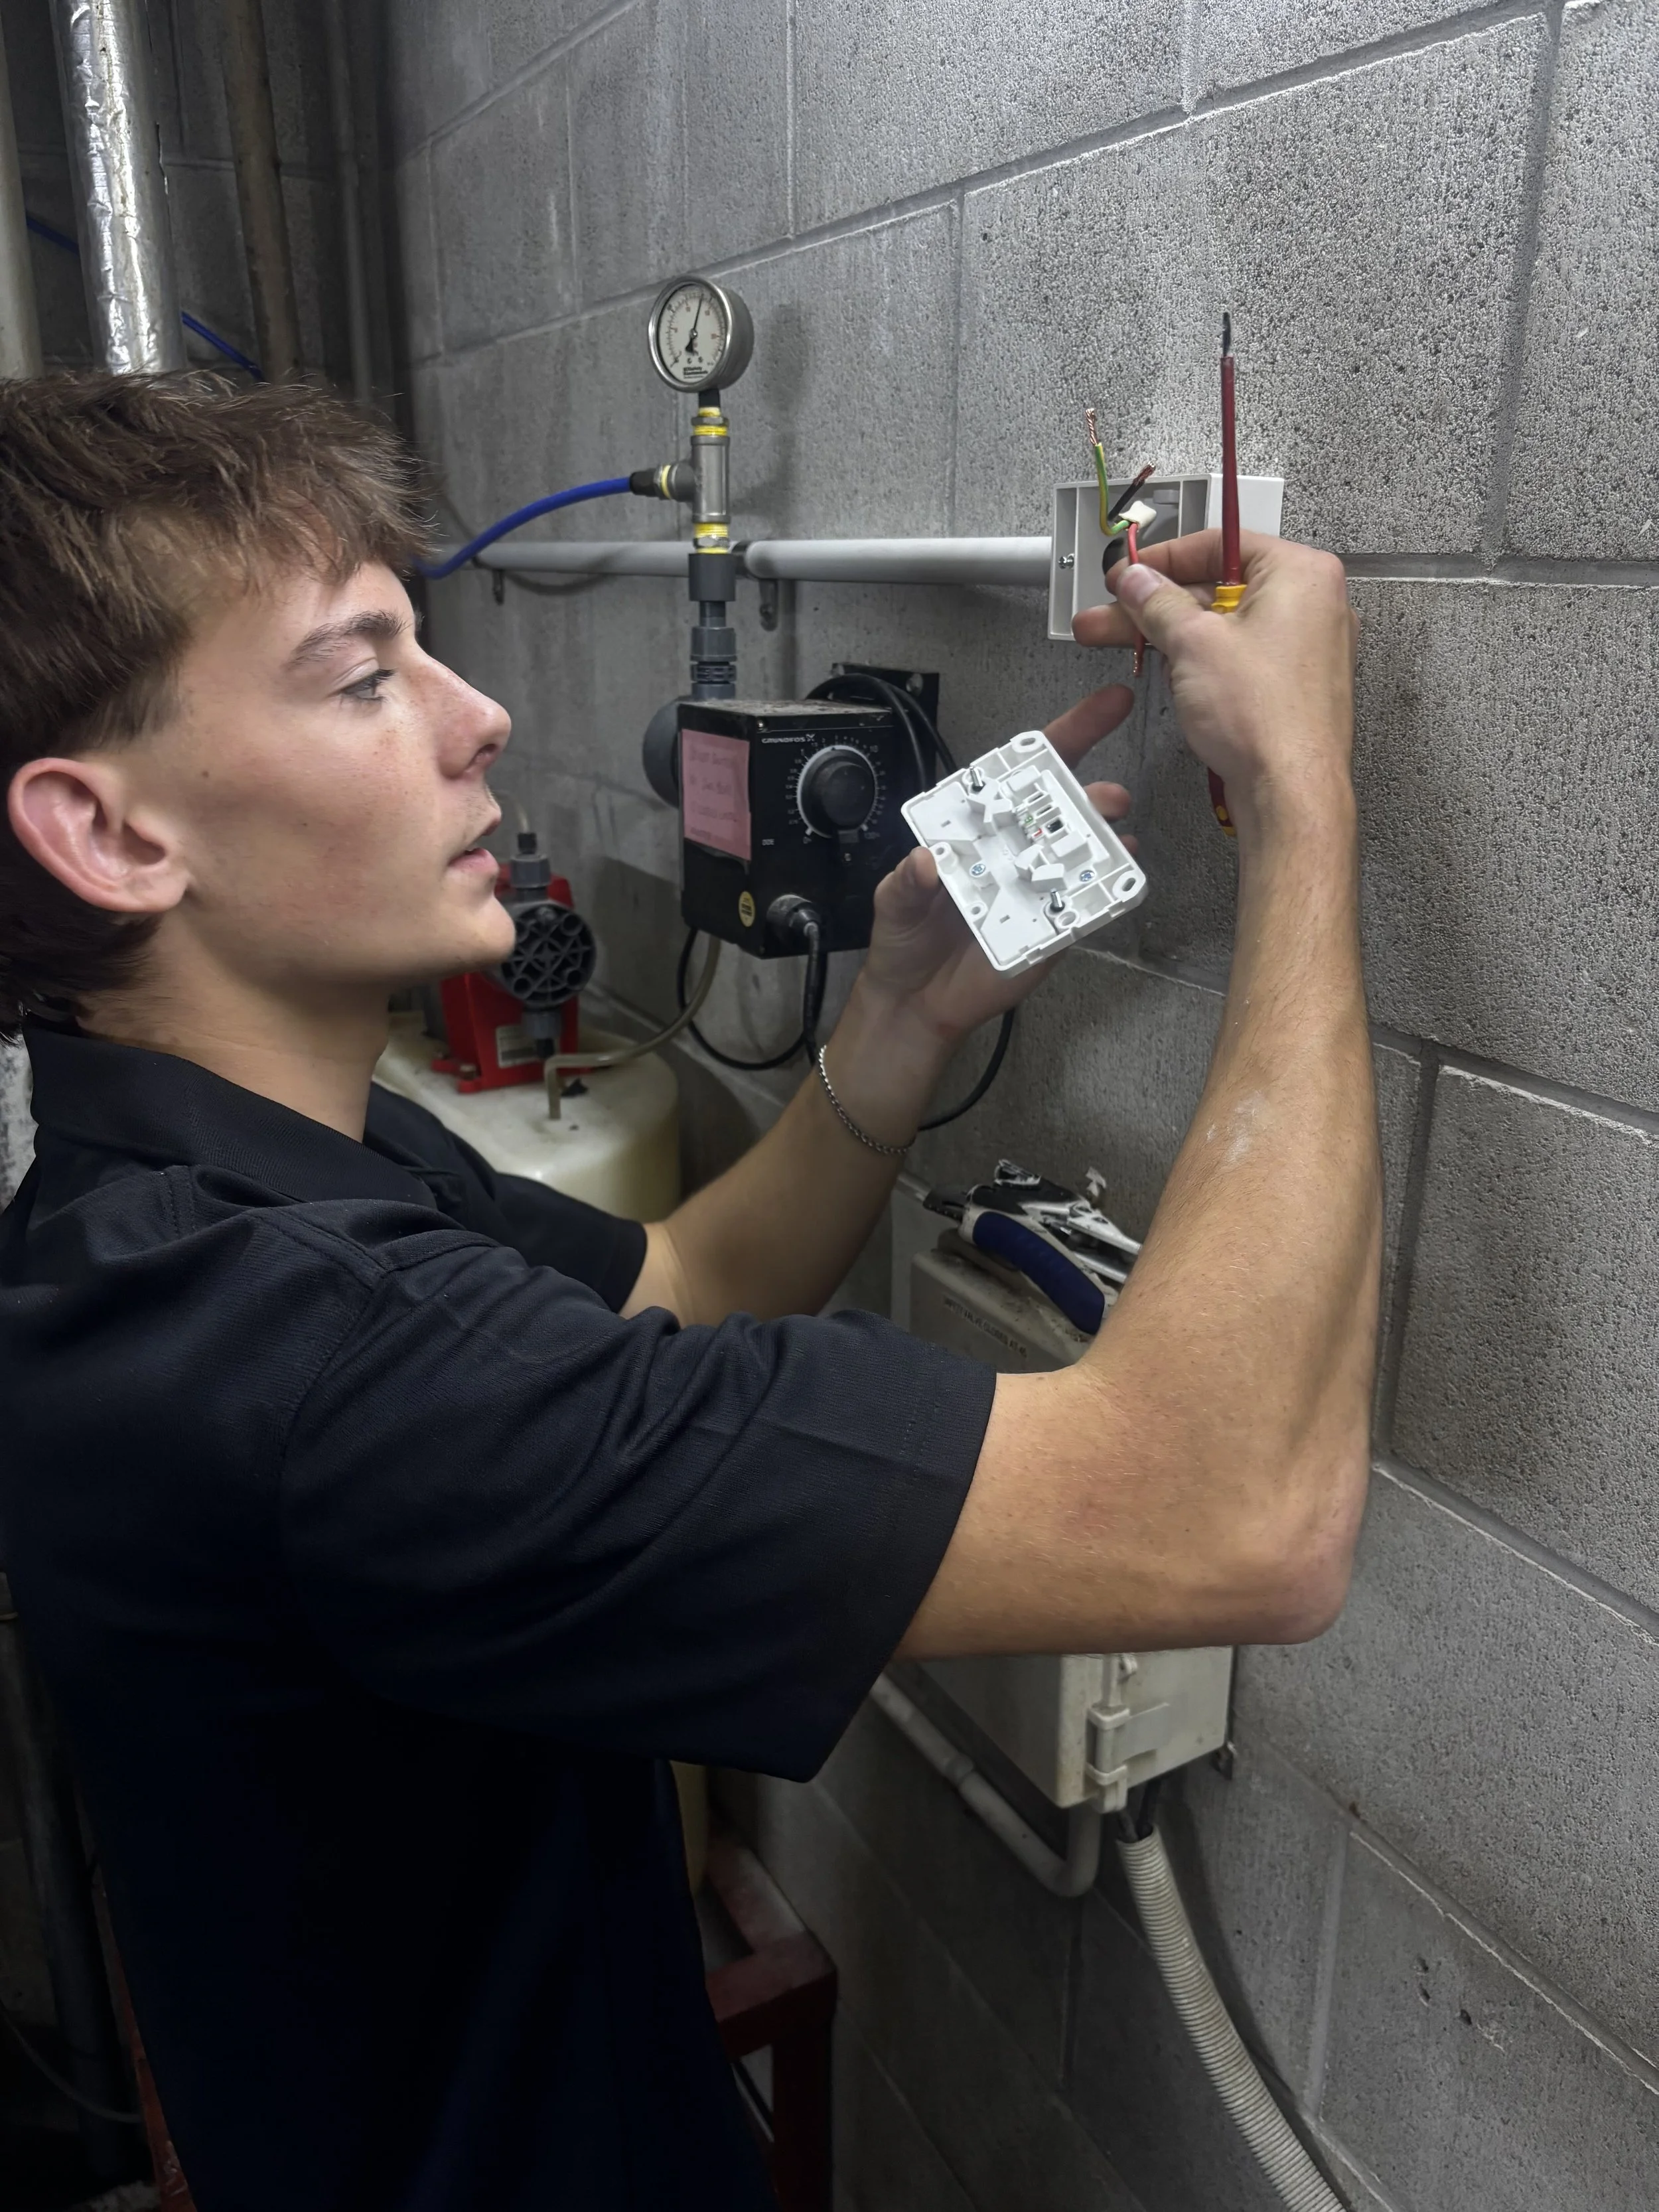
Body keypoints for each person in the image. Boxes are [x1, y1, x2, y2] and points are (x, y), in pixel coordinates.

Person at [0, 373, 1378, 2211]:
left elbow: (684, 1283)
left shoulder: (224, 1193)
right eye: (362, 676)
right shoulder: (301, 1358)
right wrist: (1301, 803)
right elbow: (1240, 1510)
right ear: (112, 834)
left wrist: (891, 1021)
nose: (480, 718)